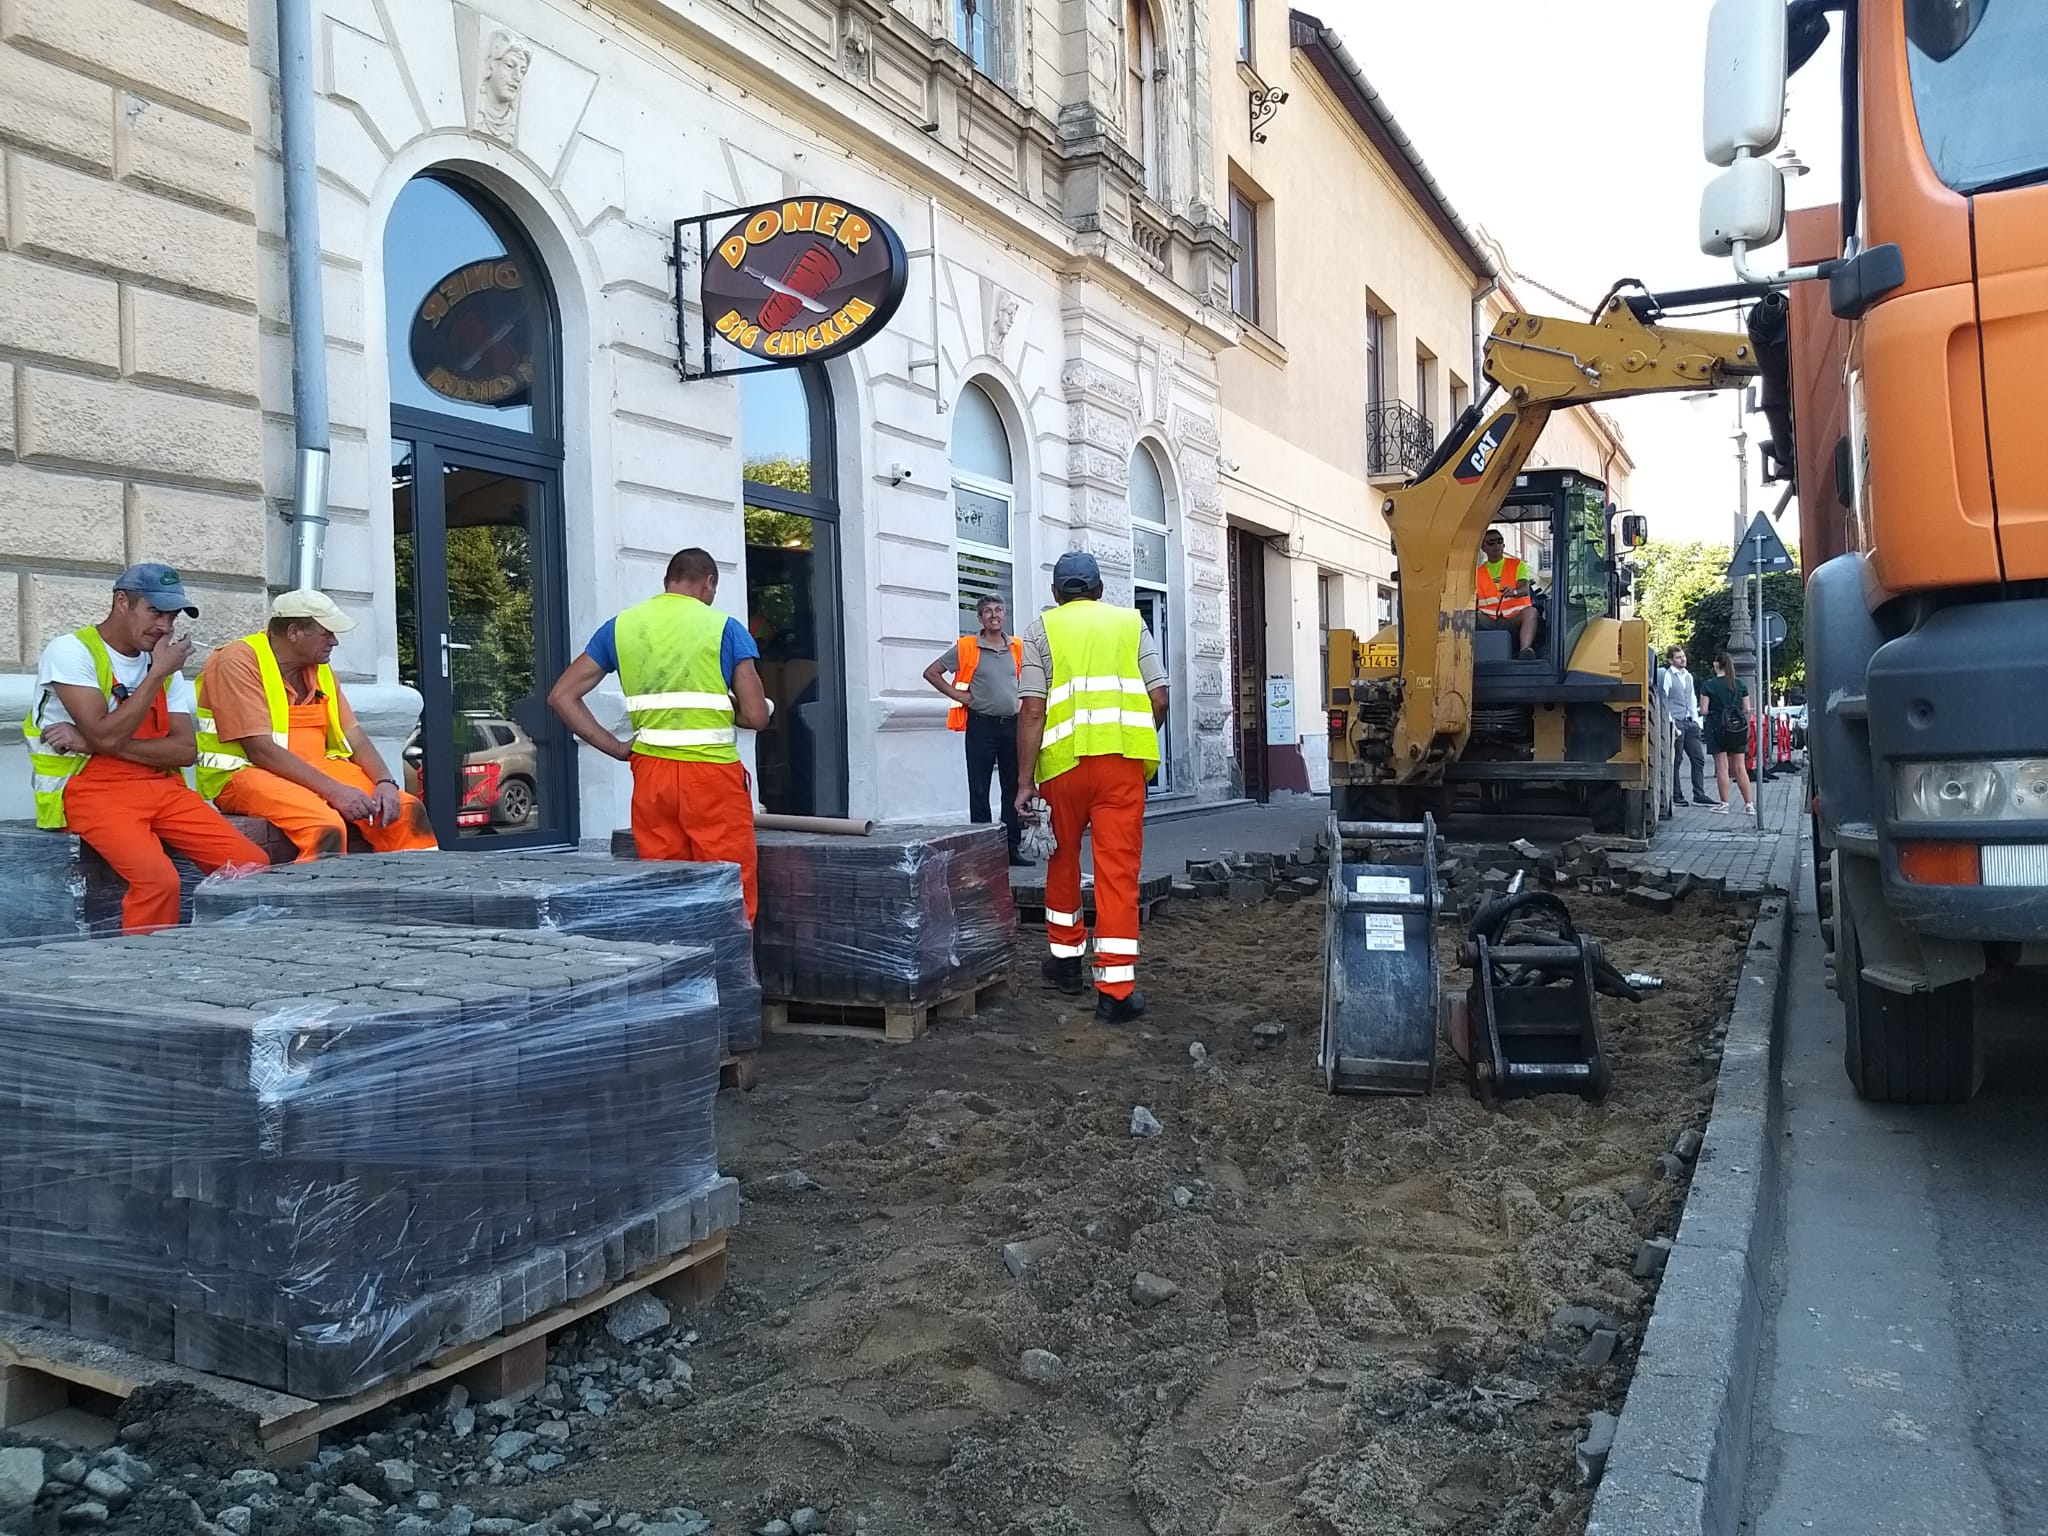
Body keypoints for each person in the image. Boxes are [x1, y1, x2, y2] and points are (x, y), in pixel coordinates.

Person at [23, 565, 269, 932]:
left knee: (251, 864)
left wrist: (90, 741)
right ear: (122, 602)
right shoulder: (72, 651)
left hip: (162, 786)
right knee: (158, 882)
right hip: (89, 790)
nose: (165, 627)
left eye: (172, 616)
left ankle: (233, 957)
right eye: (155, 612)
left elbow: (185, 750)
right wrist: (156, 676)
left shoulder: (164, 661)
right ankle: (143, 971)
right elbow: (108, 737)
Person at [547, 547, 773, 920]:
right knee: (729, 885)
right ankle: (729, 976)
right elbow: (755, 715)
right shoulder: (724, 628)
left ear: (668, 582)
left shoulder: (620, 627)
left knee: (665, 886)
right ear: (708, 583)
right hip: (711, 777)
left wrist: (618, 748)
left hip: (652, 776)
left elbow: (561, 696)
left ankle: (679, 972)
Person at [1012, 551, 1170, 1024]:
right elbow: (1159, 696)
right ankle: (1116, 991)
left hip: (1061, 769)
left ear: (1057, 595)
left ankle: (1064, 964)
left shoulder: (1042, 630)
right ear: (1101, 589)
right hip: (1120, 768)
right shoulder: (1130, 624)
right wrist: (1136, 734)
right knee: (1116, 871)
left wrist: (1024, 781)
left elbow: (1032, 710)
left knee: (1061, 861)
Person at [195, 590, 436, 860]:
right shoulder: (237, 660)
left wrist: (386, 782)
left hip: (315, 769)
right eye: (326, 633)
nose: (334, 641)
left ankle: (429, 894)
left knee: (406, 810)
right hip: (245, 774)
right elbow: (260, 750)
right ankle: (317, 900)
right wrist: (336, 792)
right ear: (295, 632)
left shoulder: (319, 666)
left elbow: (354, 736)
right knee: (325, 827)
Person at [922, 595, 1027, 866]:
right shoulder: (967, 647)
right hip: (981, 725)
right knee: (979, 789)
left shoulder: (1017, 647)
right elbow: (932, 672)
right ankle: (983, 853)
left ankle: (1010, 850)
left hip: (1012, 726)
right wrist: (961, 697)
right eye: (988, 611)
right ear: (979, 618)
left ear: (1005, 615)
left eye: (999, 610)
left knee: (1012, 789)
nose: (994, 615)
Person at [1698, 650, 1755, 816]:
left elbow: (1703, 710)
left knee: (1722, 767)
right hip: (1737, 729)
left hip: (1717, 729)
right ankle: (1749, 805)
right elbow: (1746, 709)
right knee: (1740, 767)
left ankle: (1724, 804)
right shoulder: (1740, 684)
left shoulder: (1708, 685)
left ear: (1716, 665)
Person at [1659, 644, 1716, 806]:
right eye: (1678, 657)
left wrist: (1696, 721)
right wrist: (1671, 723)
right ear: (1670, 660)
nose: (1682, 659)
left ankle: (1699, 794)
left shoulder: (1688, 676)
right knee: (1676, 760)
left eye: (1683, 656)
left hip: (1689, 722)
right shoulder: (1668, 676)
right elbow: (1664, 701)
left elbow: (1691, 698)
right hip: (1675, 722)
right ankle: (1677, 795)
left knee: (1698, 758)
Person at [1476, 527, 1538, 659]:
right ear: (1483, 547)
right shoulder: (1477, 573)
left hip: (1514, 618)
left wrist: (1514, 591)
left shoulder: (1517, 565)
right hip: (1487, 620)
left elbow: (1524, 588)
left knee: (1531, 612)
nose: (1497, 545)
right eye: (1492, 542)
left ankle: (1525, 650)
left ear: (1504, 544)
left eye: (1499, 541)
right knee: (1466, 616)